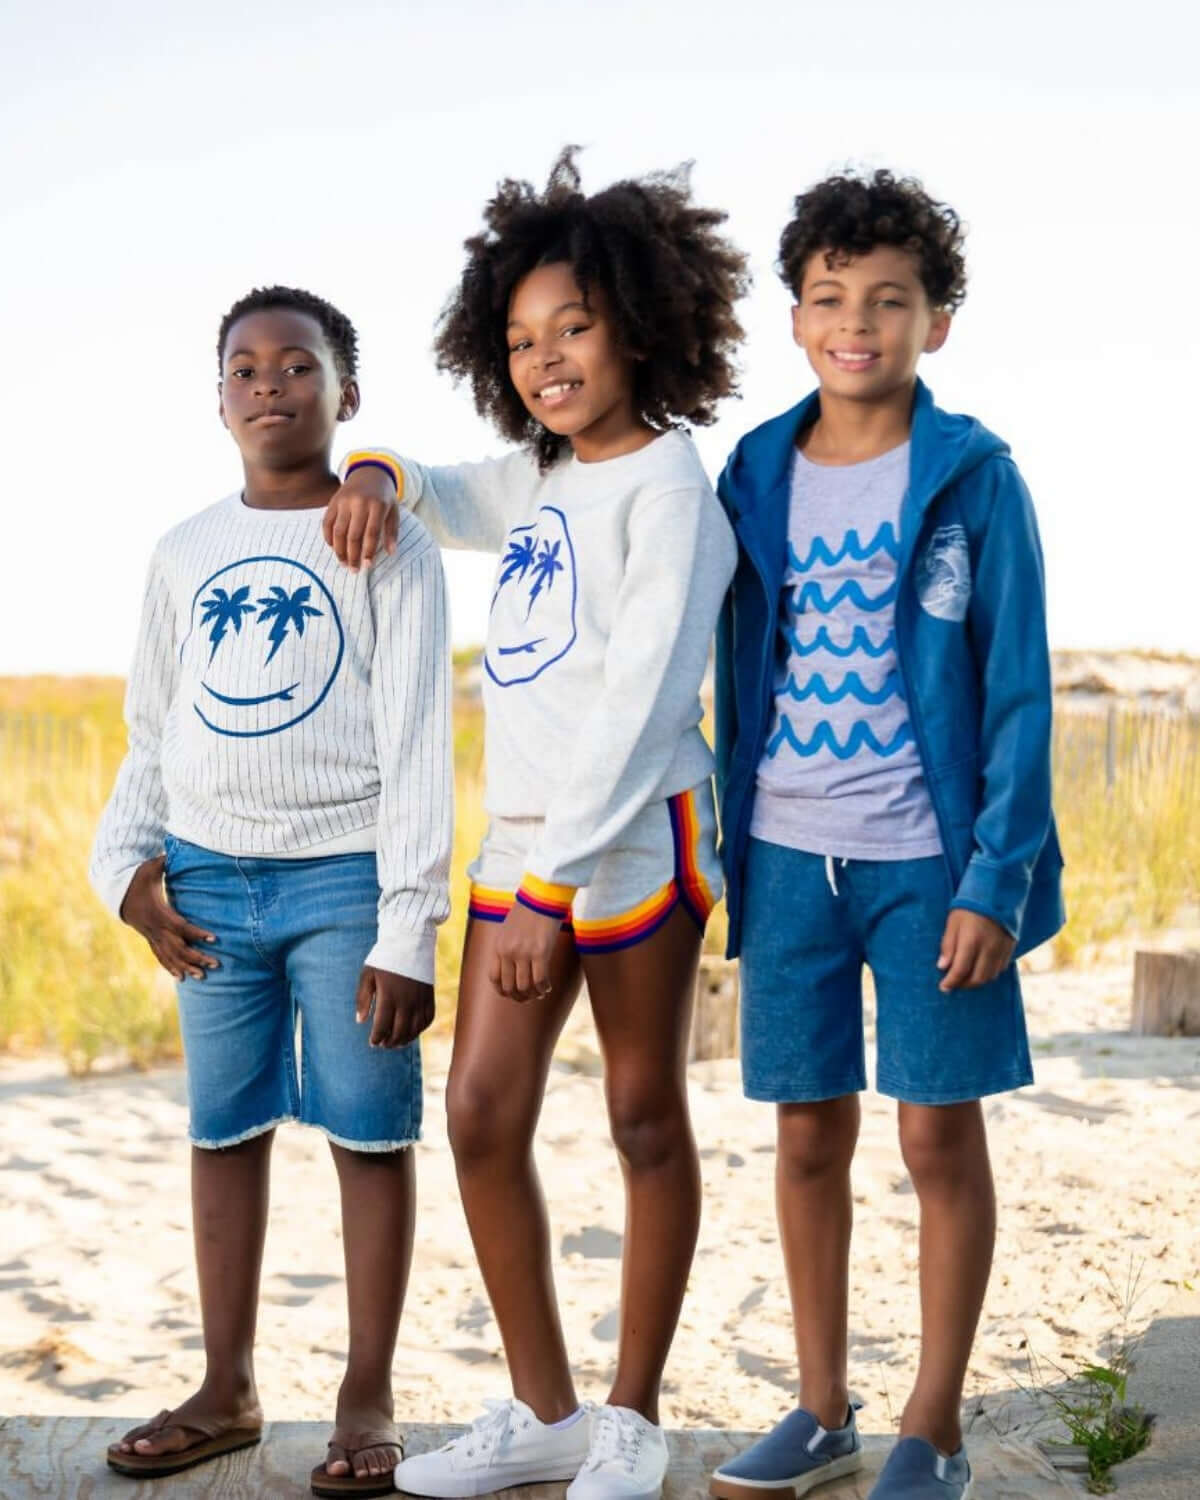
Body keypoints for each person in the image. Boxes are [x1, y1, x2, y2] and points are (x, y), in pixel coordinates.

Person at [325, 149, 747, 1500]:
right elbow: (446, 490)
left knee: (640, 1116)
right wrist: (380, 470)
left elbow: (638, 706)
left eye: (572, 326)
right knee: (480, 1113)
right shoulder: (545, 478)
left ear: (641, 322)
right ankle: (546, 1409)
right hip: (524, 847)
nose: (546, 357)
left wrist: (557, 893)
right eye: (518, 339)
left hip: (629, 846)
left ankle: (630, 1415)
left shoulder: (672, 492)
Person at [707, 170, 1064, 1500]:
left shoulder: (975, 480)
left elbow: (1020, 690)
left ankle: (936, 1424)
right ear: (796, 317)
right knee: (806, 1135)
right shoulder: (753, 472)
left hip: (933, 862)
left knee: (934, 1137)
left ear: (938, 321)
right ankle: (820, 1408)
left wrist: (995, 878)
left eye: (889, 299)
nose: (857, 320)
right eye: (829, 296)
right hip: (786, 855)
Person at [89, 286, 452, 1497]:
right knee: (223, 1128)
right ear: (219, 397)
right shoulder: (184, 551)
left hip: (347, 880)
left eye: (297, 366)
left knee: (367, 1129)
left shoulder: (379, 536)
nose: (267, 385)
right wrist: (123, 879)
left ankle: (365, 1392)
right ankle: (227, 1383)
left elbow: (415, 741)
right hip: (204, 881)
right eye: (243, 368)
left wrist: (409, 924)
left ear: (347, 395)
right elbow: (154, 730)